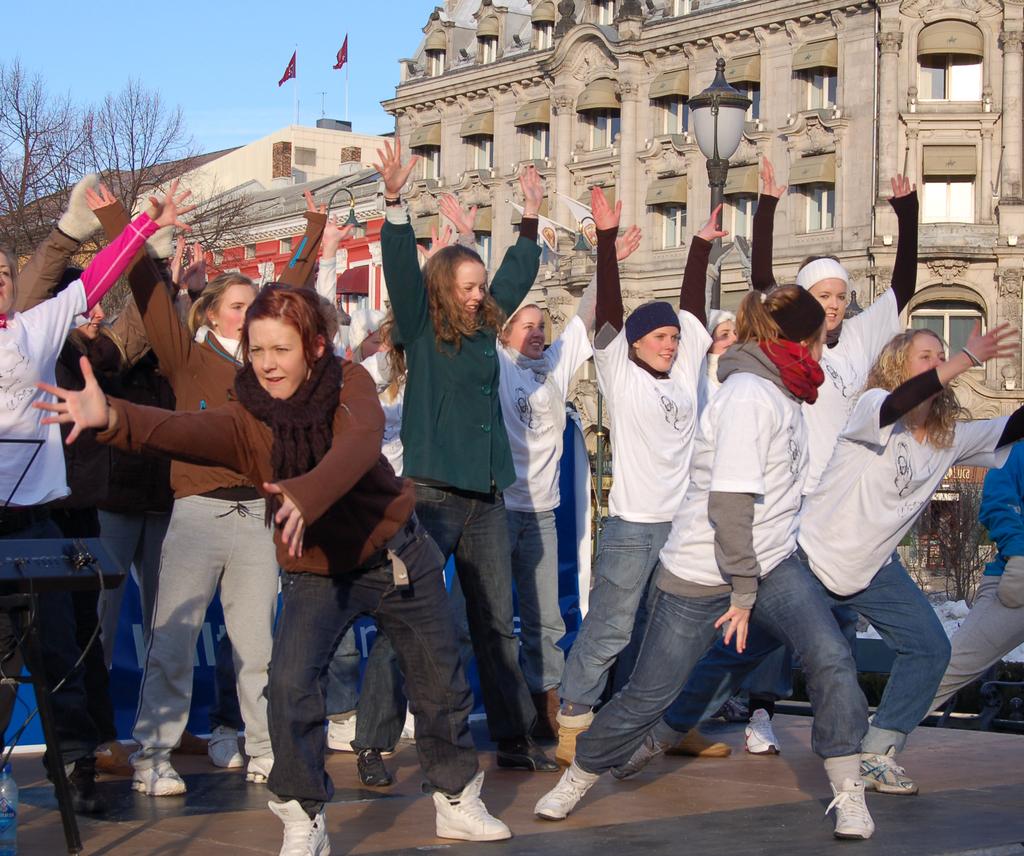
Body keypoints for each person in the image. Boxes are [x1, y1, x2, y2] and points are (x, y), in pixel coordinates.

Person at [38, 284, 513, 853]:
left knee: (440, 684)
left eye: (280, 350)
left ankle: (456, 798)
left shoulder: (349, 382)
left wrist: (305, 494)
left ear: (313, 347)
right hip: (315, 568)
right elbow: (184, 430)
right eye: (256, 349)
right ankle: (304, 815)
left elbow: (359, 444)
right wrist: (113, 415)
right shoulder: (248, 416)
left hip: (394, 556)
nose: (266, 364)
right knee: (287, 687)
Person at [534, 218, 889, 841]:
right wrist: (744, 595)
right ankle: (582, 773)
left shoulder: (783, 387)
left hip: (771, 558)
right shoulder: (752, 393)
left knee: (831, 655)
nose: (824, 345)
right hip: (702, 568)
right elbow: (729, 507)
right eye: (818, 336)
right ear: (799, 342)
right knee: (647, 691)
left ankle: (847, 787)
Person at [646, 165, 919, 758]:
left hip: (835, 510)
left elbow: (903, 282)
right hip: (785, 509)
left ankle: (841, 748)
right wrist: (768, 205)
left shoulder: (864, 339)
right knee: (759, 637)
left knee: (833, 639)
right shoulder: (782, 359)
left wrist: (908, 211)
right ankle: (737, 716)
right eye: (823, 297)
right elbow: (767, 280)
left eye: (843, 296)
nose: (835, 306)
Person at [89, 187, 327, 794]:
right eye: (240, 305)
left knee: (256, 647)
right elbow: (147, 290)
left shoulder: (267, 368)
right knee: (173, 639)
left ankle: (264, 747)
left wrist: (316, 224)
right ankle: (151, 756)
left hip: (255, 516)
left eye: (257, 307)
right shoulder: (187, 358)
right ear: (215, 310)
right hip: (195, 513)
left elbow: (293, 294)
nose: (251, 316)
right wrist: (129, 223)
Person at [0, 181, 187, 814]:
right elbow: (46, 282)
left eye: (4, 273)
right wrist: (67, 233)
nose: (3, 282)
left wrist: (137, 235)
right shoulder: (35, 317)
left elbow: (92, 284)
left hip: (39, 524)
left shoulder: (33, 333)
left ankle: (76, 765)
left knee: (61, 651)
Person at [377, 142, 556, 772]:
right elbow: (400, 267)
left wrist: (531, 217)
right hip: (429, 494)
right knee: (409, 616)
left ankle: (511, 737)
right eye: (469, 287)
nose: (480, 296)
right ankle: (375, 741)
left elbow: (513, 277)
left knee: (495, 624)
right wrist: (395, 204)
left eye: (481, 288)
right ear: (444, 289)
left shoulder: (485, 327)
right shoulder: (421, 326)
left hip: (487, 498)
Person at [553, 191, 727, 766]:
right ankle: (575, 719)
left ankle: (667, 725)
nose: (671, 345)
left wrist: (699, 246)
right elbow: (607, 314)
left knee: (671, 638)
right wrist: (605, 241)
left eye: (675, 340)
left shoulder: (683, 374)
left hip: (683, 531)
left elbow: (693, 312)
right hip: (633, 527)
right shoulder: (619, 373)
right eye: (660, 338)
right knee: (610, 629)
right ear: (635, 343)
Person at [930, 444, 1024, 710]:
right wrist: (1019, 554)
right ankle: (875, 736)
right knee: (949, 669)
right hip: (1016, 577)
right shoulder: (1017, 448)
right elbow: (999, 503)